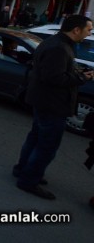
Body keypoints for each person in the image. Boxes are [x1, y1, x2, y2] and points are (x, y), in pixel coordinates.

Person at [12, 15, 94, 200]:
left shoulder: (57, 43)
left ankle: (22, 170)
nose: (89, 33)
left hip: (45, 101)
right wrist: (83, 78)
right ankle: (28, 180)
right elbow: (55, 78)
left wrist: (77, 72)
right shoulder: (59, 47)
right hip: (51, 104)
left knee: (35, 138)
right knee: (46, 146)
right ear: (76, 30)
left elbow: (55, 71)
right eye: (88, 29)